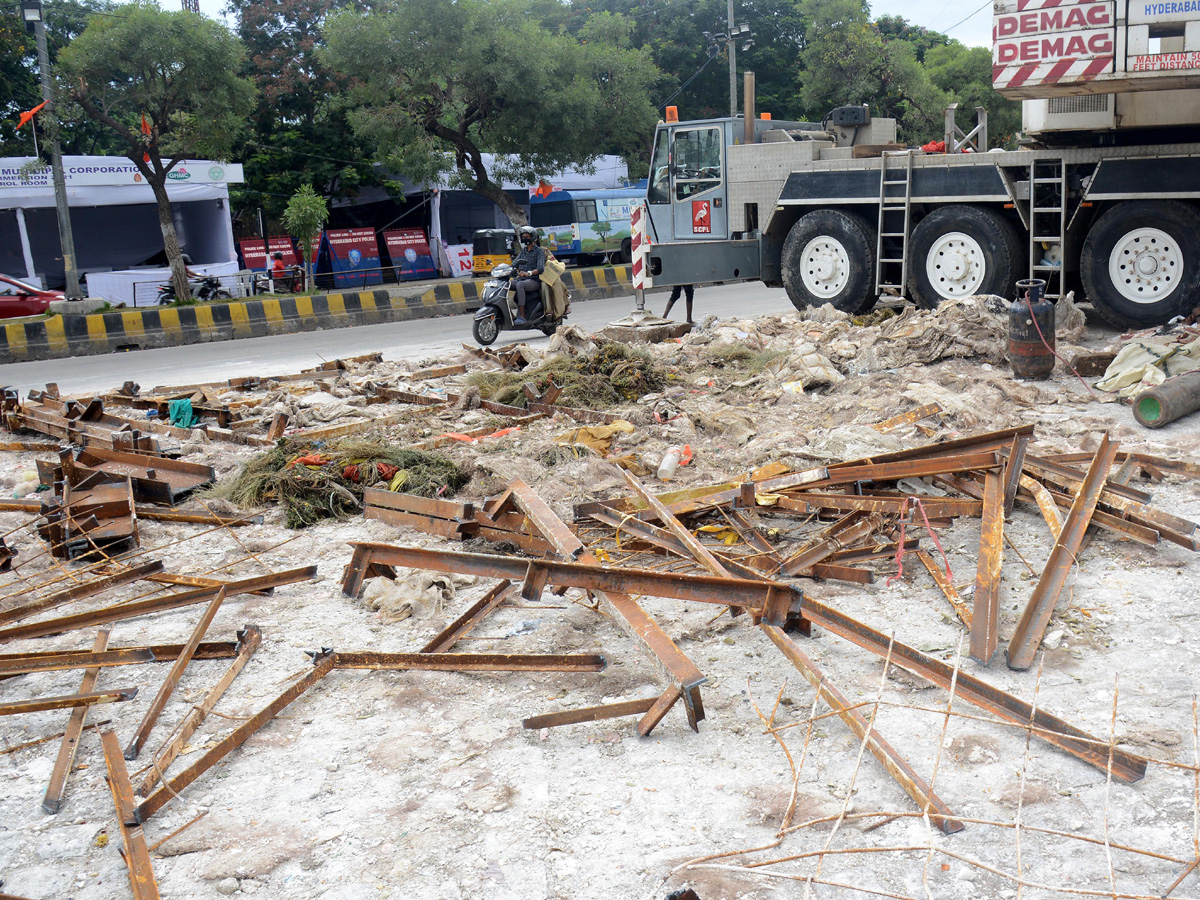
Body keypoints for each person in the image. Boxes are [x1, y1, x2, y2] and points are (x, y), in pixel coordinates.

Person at [512, 225, 545, 325]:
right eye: (523, 237)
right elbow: (514, 264)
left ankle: (522, 316)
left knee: (520, 285)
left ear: (533, 237)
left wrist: (528, 273)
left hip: (533, 281)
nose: (525, 239)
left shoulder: (539, 251)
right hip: (521, 279)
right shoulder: (524, 251)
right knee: (505, 284)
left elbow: (540, 268)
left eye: (527, 237)